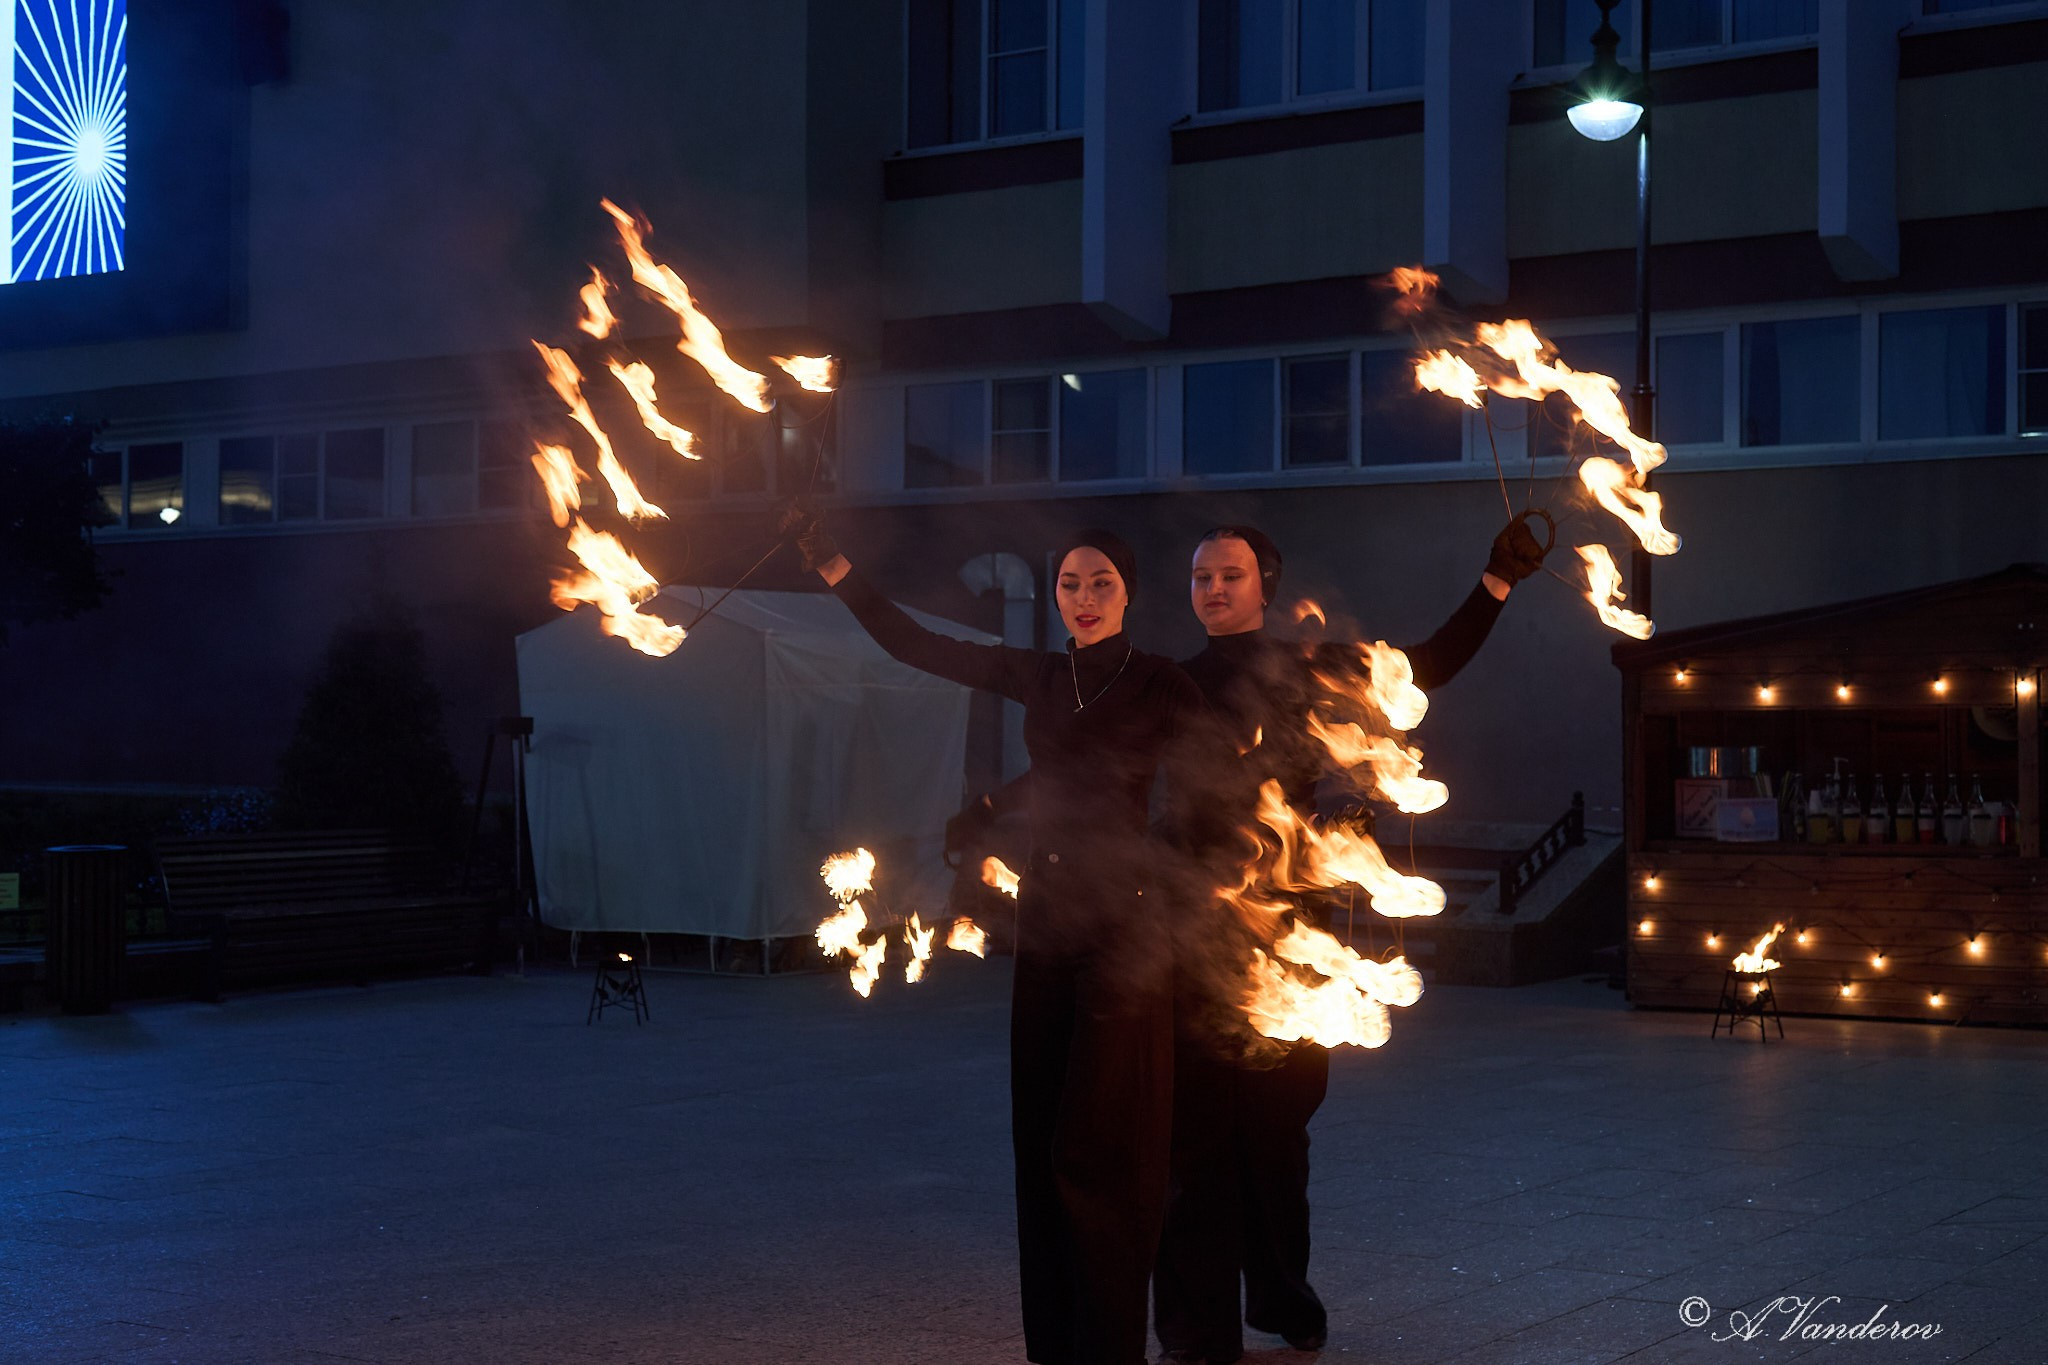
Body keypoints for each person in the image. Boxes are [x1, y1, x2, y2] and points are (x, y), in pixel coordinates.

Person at [954, 516, 1549, 1365]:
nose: (1214, 589)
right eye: (1200, 577)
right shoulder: (1170, 681)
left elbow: (1426, 663)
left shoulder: (1310, 670)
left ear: (1264, 584)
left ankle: (1279, 1293)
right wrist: (994, 812)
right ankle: (1198, 1328)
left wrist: (1495, 581)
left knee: (1276, 1133)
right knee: (1187, 1136)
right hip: (1188, 932)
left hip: (1291, 939)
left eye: (1229, 574)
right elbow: (1080, 767)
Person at [780, 507, 1227, 1365]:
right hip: (1050, 922)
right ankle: (1059, 1341)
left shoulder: (1164, 682)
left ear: (1129, 592)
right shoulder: (1042, 676)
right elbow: (915, 645)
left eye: (1101, 583)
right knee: (1041, 1131)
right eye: (1070, 584)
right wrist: (837, 565)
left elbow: (1221, 779)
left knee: (1100, 1139)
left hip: (1127, 930)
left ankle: (1109, 1344)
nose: (1085, 598)